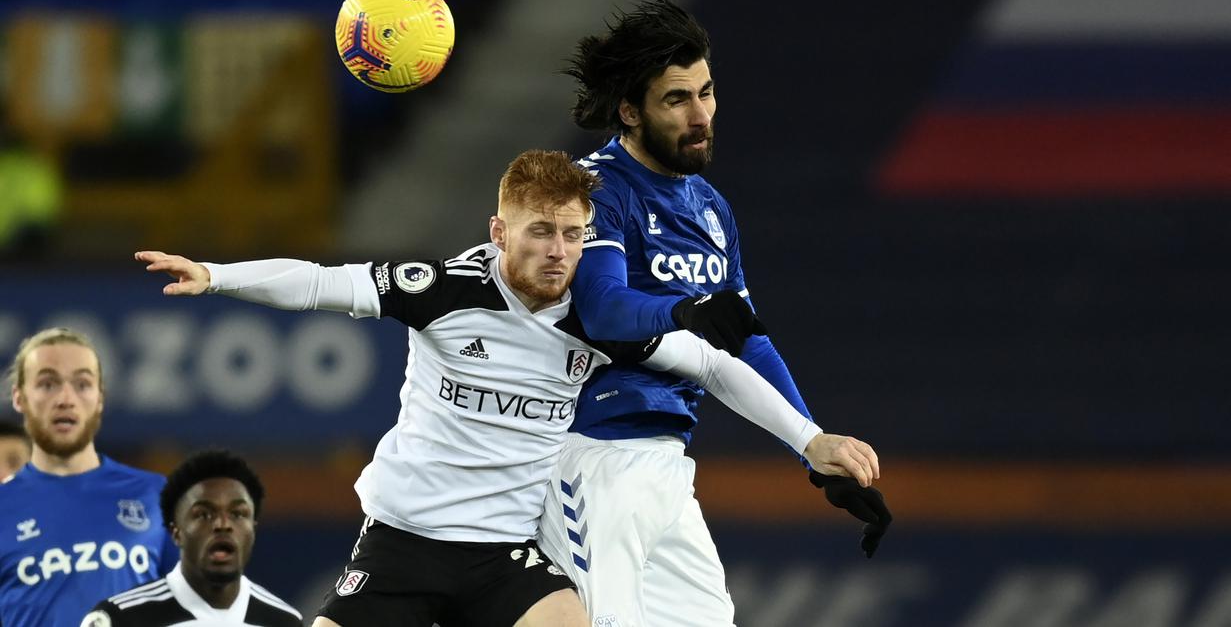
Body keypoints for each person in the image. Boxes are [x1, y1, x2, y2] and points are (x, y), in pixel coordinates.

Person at [134, 149, 870, 627]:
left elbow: (711, 363)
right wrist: (214, 276)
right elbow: (321, 284)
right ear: (499, 230)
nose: (559, 252)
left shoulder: (599, 317)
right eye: (541, 232)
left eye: (574, 234)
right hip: (404, 544)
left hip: (504, 556)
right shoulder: (444, 289)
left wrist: (811, 439)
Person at [537, 0, 893, 626]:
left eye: (706, 92)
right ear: (630, 110)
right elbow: (602, 310)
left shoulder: (710, 209)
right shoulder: (594, 190)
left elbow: (744, 339)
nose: (701, 114)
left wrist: (812, 445)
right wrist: (690, 309)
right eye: (677, 99)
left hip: (669, 468)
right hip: (592, 459)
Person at [0, 327, 178, 627]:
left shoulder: (157, 495)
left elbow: (196, 608)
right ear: (19, 398)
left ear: (100, 398)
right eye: (47, 384)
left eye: (82, 384)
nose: (65, 398)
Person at [82, 449, 301, 626]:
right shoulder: (120, 619)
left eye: (237, 514)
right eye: (204, 514)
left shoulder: (283, 621)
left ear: (253, 529)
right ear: (176, 531)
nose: (223, 524)